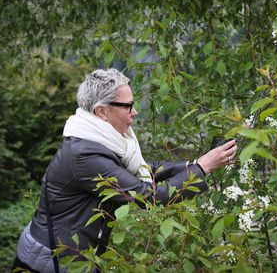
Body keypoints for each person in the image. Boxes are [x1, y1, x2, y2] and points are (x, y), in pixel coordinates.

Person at [12, 68, 237, 272]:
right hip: (53, 258)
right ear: (101, 111)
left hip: (73, 253)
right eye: (127, 105)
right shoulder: (85, 155)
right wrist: (203, 168)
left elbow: (143, 170)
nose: (135, 112)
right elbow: (146, 196)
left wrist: (192, 164)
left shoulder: (100, 140)